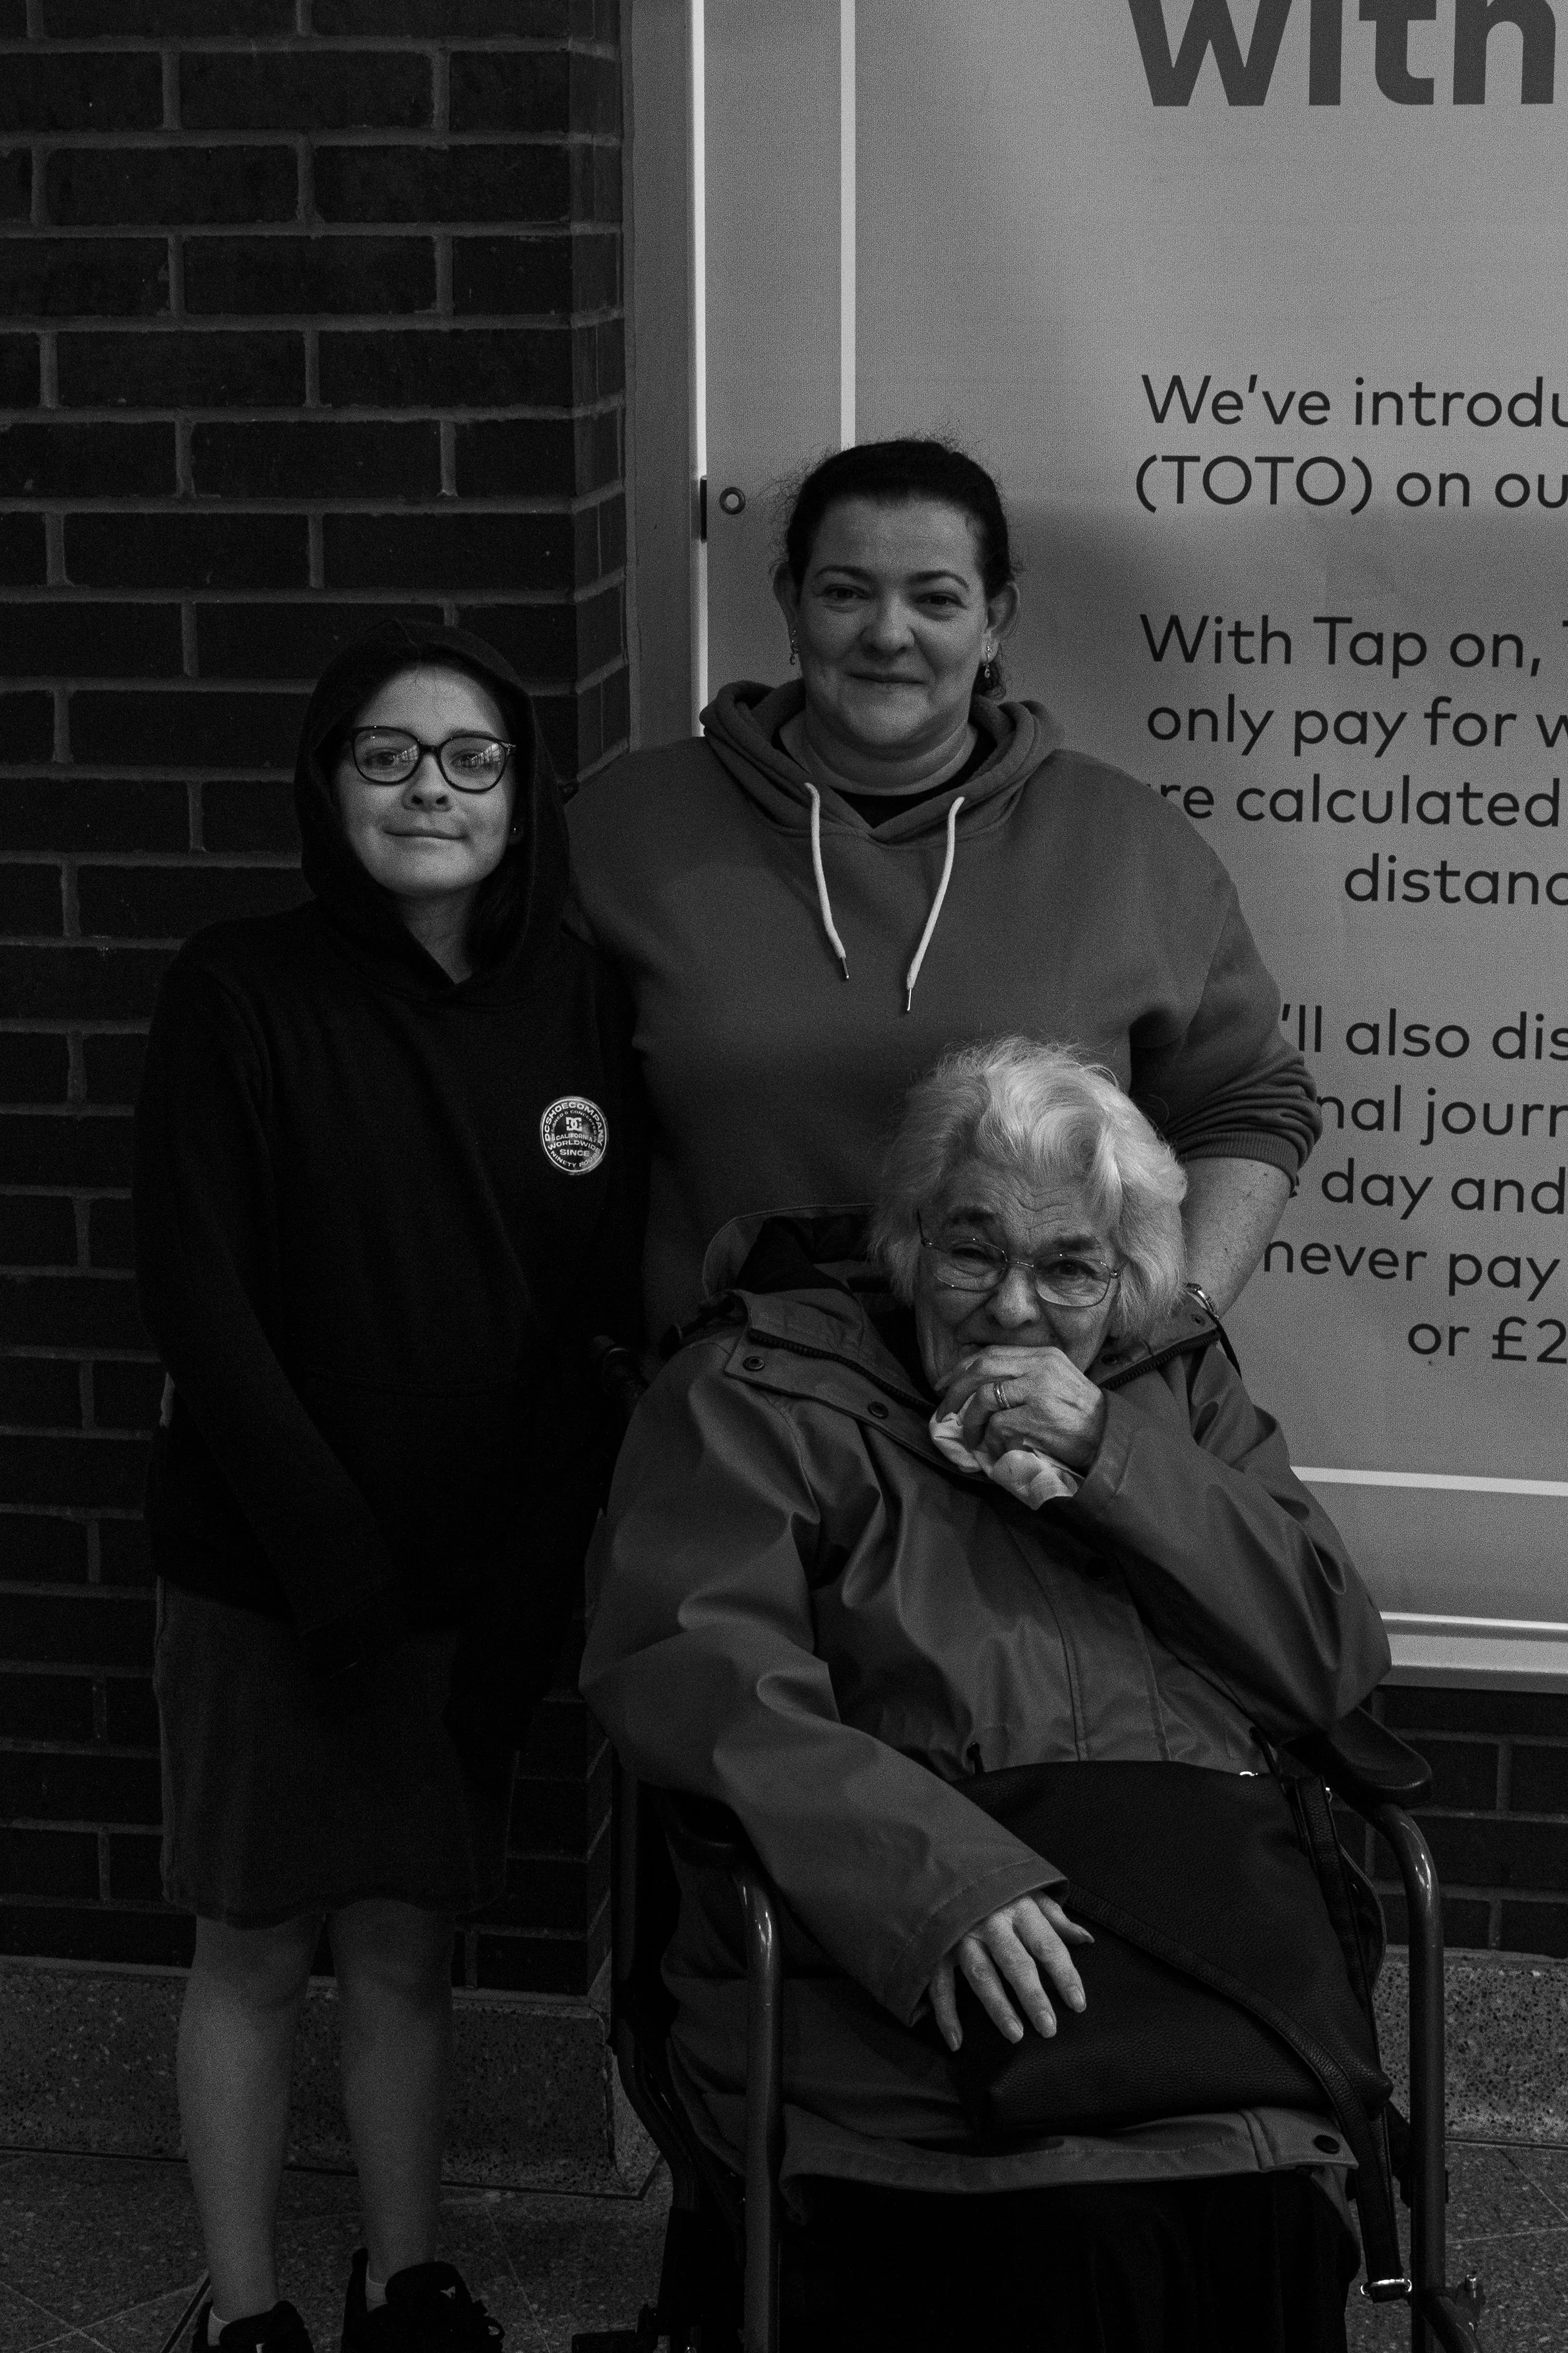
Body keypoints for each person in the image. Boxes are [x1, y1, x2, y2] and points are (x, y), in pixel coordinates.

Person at [580, 1037, 1389, 2352]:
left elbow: (1324, 1652)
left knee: (1263, 2199)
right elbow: (692, 1667)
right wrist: (932, 1880)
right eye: (971, 1251)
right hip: (884, 1972)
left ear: (1125, 1276)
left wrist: (1105, 1453)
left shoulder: (1173, 1390)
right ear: (905, 1243)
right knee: (1041, 2237)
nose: (1013, 1307)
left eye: (1067, 1265)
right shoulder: (756, 1388)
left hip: (1194, 1968)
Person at [134, 624, 644, 2353]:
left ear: (522, 796)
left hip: (469, 1584)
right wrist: (332, 1567)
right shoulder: (239, 988)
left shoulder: (582, 1002)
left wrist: (515, 1577)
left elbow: (587, 1322)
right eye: (386, 753)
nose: (430, 787)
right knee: (259, 1947)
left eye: (472, 758)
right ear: (327, 781)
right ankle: (251, 2303)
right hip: (267, 1572)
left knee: (410, 1950)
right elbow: (202, 1301)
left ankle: (407, 2277)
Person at [567, 437, 1319, 1342]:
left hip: (1026, 1409)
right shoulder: (631, 831)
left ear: (995, 619)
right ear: (791, 604)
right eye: (846, 592)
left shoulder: (1127, 847)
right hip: (727, 1427)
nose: (889, 634)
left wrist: (1172, 1323)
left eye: (936, 599)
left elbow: (1247, 1106)